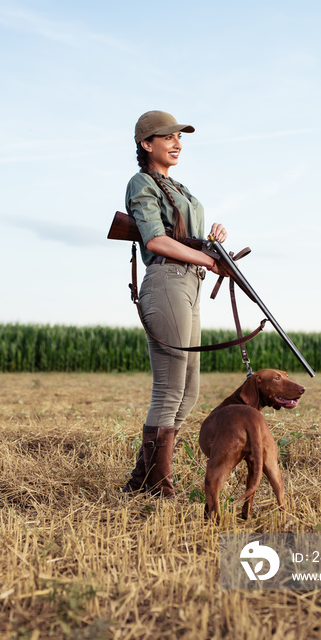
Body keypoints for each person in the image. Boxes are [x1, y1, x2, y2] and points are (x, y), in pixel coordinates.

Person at [122, 110, 227, 498]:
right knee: (169, 389)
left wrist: (211, 239)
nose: (177, 143)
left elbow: (187, 238)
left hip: (190, 283)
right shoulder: (142, 183)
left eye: (179, 137)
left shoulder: (179, 187)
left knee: (190, 391)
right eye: (167, 137)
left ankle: (141, 481)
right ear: (147, 144)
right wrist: (207, 260)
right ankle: (159, 487)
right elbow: (155, 240)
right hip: (167, 280)